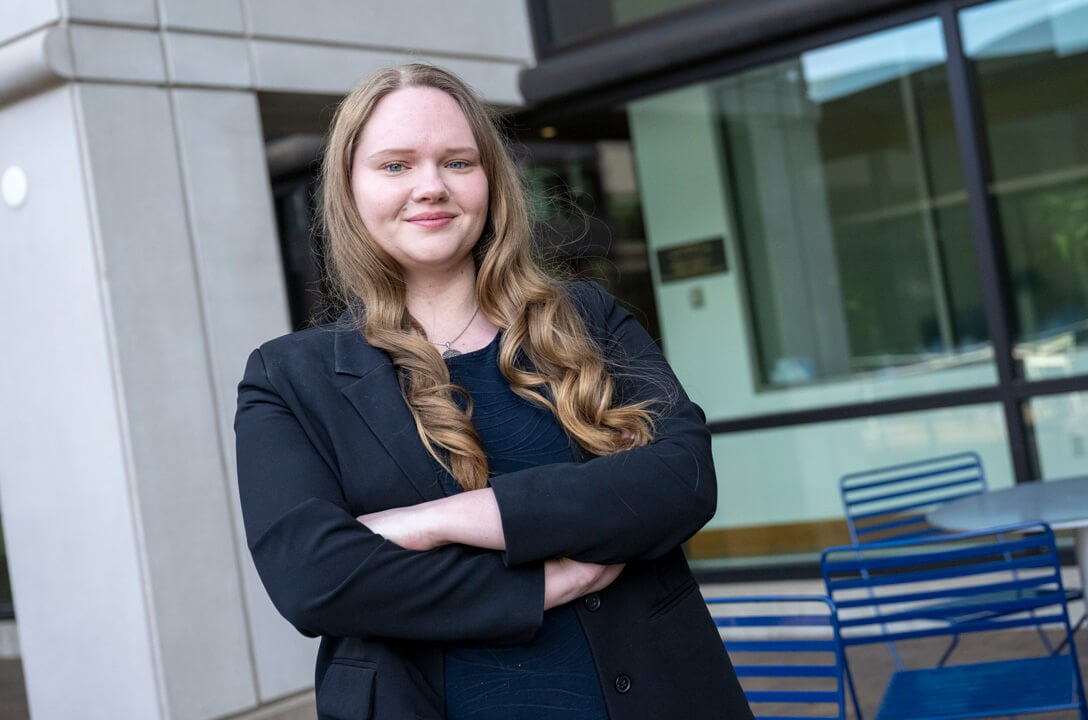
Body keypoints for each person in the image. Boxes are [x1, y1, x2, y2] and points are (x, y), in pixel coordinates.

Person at [234, 63, 752, 720]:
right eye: (396, 166)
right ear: (349, 190)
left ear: (491, 180)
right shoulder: (287, 378)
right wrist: (538, 585)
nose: (431, 186)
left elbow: (682, 479)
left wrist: (437, 522)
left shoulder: (588, 319)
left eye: (457, 162)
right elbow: (314, 579)